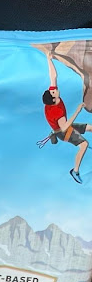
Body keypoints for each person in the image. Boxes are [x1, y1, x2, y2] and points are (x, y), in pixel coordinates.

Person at [43, 52, 92, 184]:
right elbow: (65, 127)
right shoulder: (57, 111)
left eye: (53, 90)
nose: (54, 89)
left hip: (63, 126)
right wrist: (78, 110)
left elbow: (53, 77)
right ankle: (75, 171)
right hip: (63, 131)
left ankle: (54, 134)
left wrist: (49, 59)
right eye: (53, 92)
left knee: (90, 128)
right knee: (84, 145)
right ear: (54, 100)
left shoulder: (52, 97)